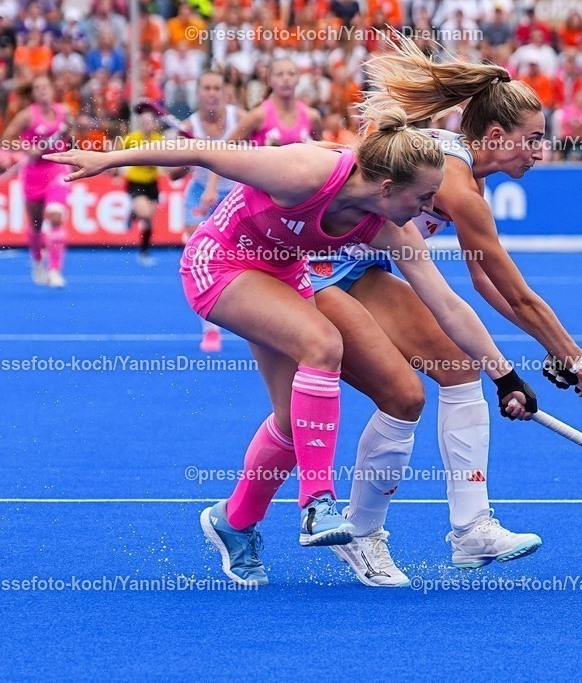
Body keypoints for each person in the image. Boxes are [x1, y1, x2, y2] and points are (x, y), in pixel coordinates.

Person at [44, 106, 538, 587]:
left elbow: (447, 306)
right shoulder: (304, 170)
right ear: (388, 189)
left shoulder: (390, 226)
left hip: (283, 276)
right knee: (323, 343)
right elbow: (205, 152)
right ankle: (317, 504)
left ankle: (233, 523)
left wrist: (504, 376)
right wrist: (109, 160)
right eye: (424, 197)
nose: (430, 209)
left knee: (292, 422)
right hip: (220, 263)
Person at [306, 36, 582, 587]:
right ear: (497, 136)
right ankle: (359, 534)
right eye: (533, 140)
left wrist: (556, 357)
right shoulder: (456, 183)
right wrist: (580, 366)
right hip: (310, 267)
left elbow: (485, 281)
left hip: (361, 268)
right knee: (402, 395)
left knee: (460, 367)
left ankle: (471, 529)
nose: (541, 151)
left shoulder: (469, 179)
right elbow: (521, 295)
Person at [176, 72, 241, 353]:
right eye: (206, 88)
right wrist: (183, 156)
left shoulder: (241, 119)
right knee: (198, 259)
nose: (212, 93)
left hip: (235, 193)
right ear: (198, 93)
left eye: (217, 87)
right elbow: (172, 174)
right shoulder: (187, 126)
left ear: (225, 92)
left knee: (241, 261)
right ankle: (210, 328)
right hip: (199, 193)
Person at [0, 75, 72, 288]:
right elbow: (7, 138)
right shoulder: (26, 116)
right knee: (36, 225)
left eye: (45, 87)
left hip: (57, 169)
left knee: (56, 216)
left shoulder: (64, 112)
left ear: (52, 90)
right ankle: (38, 261)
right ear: (33, 94)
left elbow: (70, 135)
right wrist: (26, 149)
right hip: (33, 174)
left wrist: (68, 135)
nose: (42, 91)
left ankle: (55, 270)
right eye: (38, 88)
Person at [120, 108, 165, 266]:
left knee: (149, 221)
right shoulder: (132, 139)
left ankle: (144, 252)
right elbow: (117, 152)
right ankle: (133, 212)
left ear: (154, 124)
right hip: (136, 182)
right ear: (140, 124)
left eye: (149, 122)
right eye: (144, 122)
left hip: (152, 183)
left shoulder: (159, 140)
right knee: (145, 214)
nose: (147, 124)